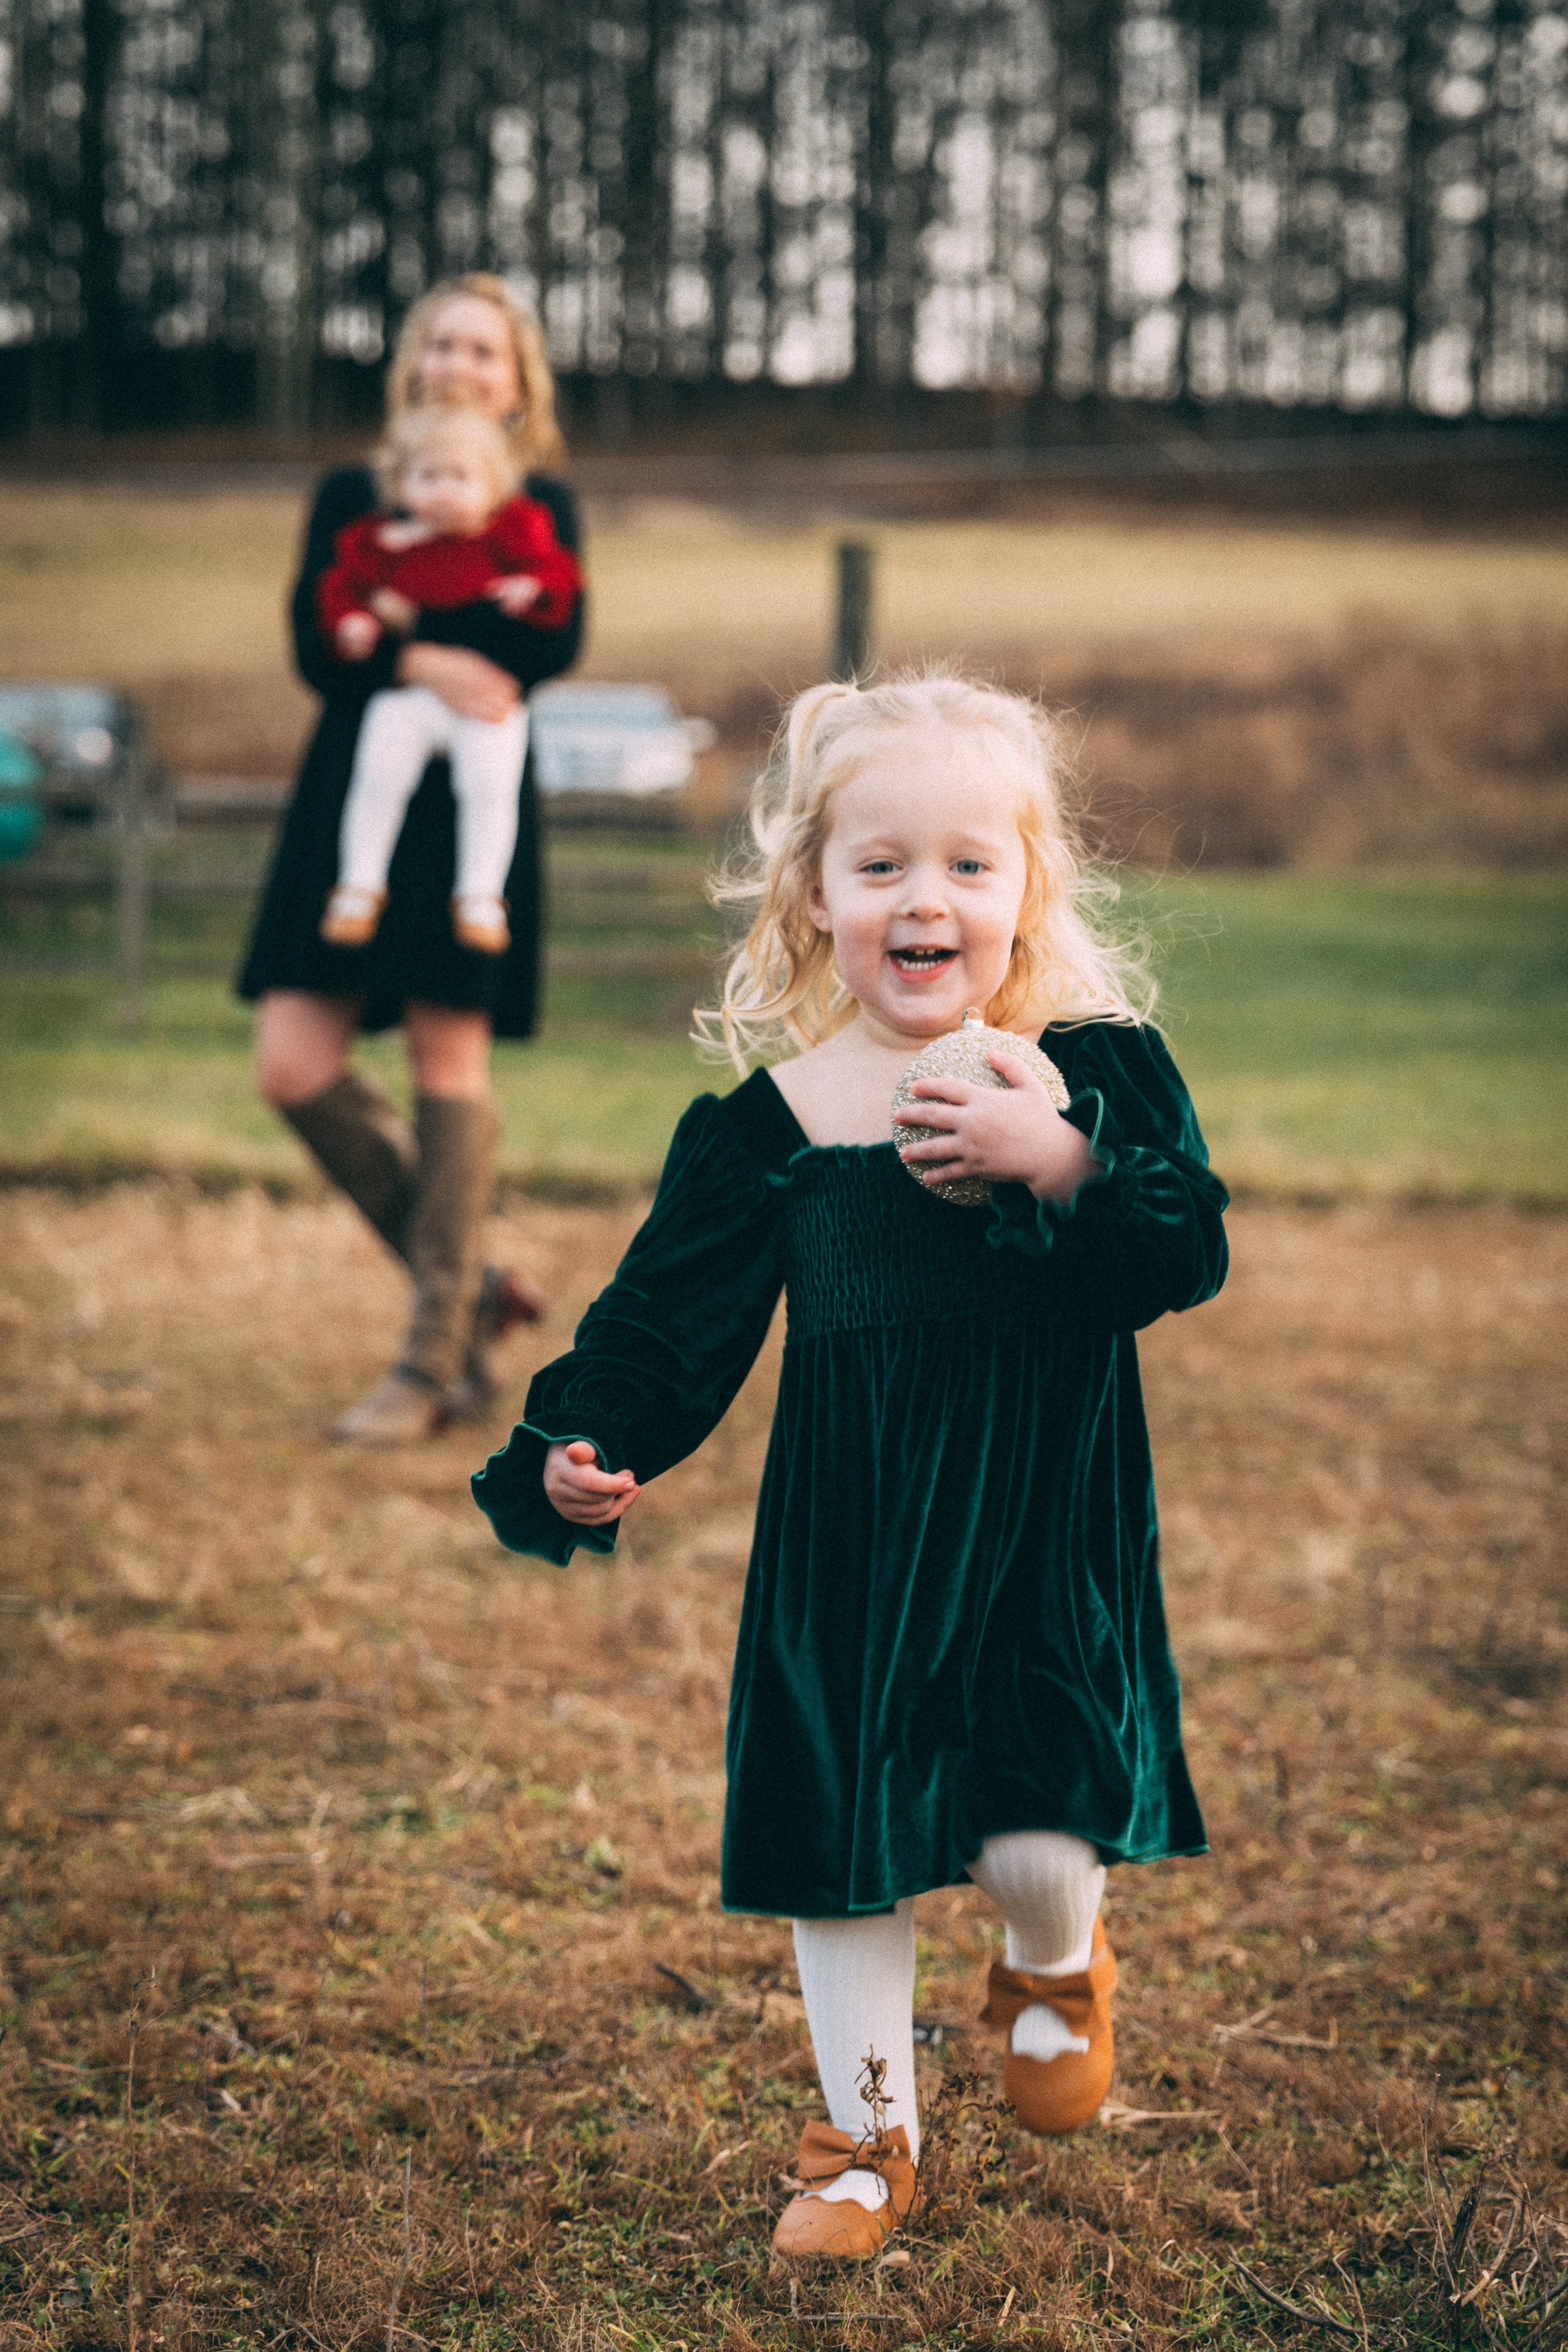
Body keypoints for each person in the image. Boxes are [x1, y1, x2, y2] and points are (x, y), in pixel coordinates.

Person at [470, 673, 1230, 2260]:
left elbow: (1181, 1255)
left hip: (1042, 1527)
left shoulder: (1095, 1070)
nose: (923, 898)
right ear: (814, 896)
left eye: (968, 863)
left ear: (1028, 891)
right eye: (879, 866)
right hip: (852, 1540)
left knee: (1034, 1829)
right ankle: (865, 2141)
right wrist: (580, 1439)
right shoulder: (778, 1123)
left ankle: (1055, 1956)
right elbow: (661, 1323)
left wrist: (1069, 1159)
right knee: (845, 1843)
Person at [238, 274, 584, 1447]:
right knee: (291, 1063)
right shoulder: (351, 494)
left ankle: (434, 1364)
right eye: (440, 343)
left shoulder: (541, 505)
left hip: (470, 813)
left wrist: (402, 634)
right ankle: (477, 1288)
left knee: (448, 1057)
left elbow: (547, 641)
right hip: (356, 800)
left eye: (484, 351)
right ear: (411, 362)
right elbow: (313, 645)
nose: (458, 364)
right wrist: (428, 664)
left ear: (517, 379)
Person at [317, 403, 581, 957]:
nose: (443, 490)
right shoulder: (380, 542)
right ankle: (359, 886)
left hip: (487, 699)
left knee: (490, 788)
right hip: (408, 697)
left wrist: (533, 588)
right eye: (427, 476)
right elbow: (340, 588)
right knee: (379, 777)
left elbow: (561, 579)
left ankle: (481, 897)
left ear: (494, 486)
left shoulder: (513, 533)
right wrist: (351, 620)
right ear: (400, 482)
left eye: (461, 477)